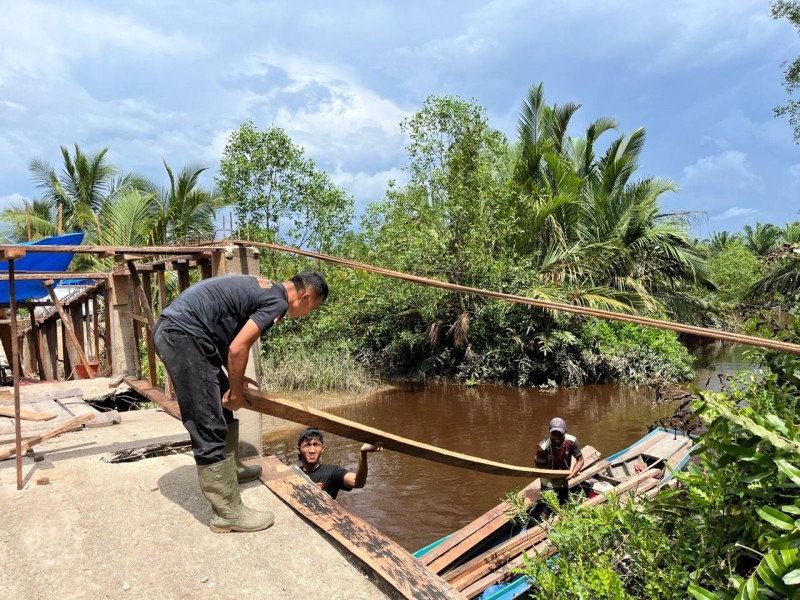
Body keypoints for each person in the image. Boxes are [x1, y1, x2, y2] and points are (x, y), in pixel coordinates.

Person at [153, 271, 328, 533]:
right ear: (306, 296)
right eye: (312, 308)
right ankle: (227, 514)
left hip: (191, 335)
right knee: (208, 422)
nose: (307, 313)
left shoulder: (266, 289)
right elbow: (239, 348)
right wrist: (235, 394)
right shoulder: (277, 301)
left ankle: (231, 468)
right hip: (183, 336)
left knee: (222, 407)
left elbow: (227, 340)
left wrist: (236, 380)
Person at [296, 427, 383, 499]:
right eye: (307, 445)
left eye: (316, 445)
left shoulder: (331, 472)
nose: (312, 450)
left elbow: (358, 482)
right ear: (299, 449)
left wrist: (363, 454)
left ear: (322, 449)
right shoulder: (291, 474)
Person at [534, 417, 585, 508]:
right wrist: (552, 474)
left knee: (564, 504)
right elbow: (538, 464)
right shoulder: (543, 447)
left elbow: (580, 460)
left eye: (560, 433)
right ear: (550, 432)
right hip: (548, 480)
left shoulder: (572, 441)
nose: (557, 436)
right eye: (554, 433)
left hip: (564, 478)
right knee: (548, 507)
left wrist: (572, 474)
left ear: (565, 431)